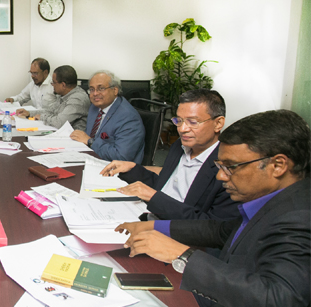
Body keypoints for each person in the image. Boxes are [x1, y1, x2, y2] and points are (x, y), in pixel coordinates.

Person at [115, 109, 310, 307]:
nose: (221, 177)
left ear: (278, 165)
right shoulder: (273, 200)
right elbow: (221, 231)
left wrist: (184, 256)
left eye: (231, 167)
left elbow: (281, 300)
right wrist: (154, 227)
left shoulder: (299, 218)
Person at [100, 89, 239, 221]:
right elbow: (166, 187)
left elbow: (210, 227)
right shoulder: (179, 146)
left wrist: (154, 198)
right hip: (147, 216)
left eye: (193, 122)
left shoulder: (228, 168)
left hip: (175, 235)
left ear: (218, 123)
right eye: (179, 120)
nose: (182, 129)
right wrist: (133, 169)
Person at [70, 70, 144, 163]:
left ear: (115, 90)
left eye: (101, 88)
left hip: (116, 170)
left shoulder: (128, 117)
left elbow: (122, 157)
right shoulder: (94, 107)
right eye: (92, 89)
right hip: (92, 159)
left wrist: (90, 142)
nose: (95, 93)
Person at [15, 65, 89, 131]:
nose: (52, 85)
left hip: (72, 140)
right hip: (61, 134)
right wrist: (29, 113)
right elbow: (50, 111)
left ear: (63, 85)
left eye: (54, 82)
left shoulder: (77, 100)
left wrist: (41, 117)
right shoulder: (63, 94)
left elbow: (59, 122)